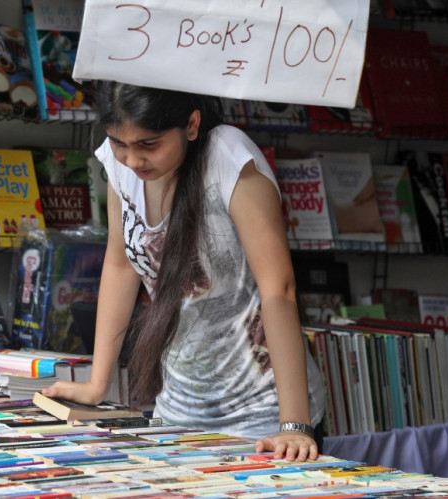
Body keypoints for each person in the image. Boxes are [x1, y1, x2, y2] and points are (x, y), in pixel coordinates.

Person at [42, 81, 326, 462]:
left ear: (191, 125)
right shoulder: (122, 167)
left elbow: (279, 289)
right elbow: (120, 264)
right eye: (119, 143)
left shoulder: (227, 154)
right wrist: (98, 383)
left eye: (149, 144)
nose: (133, 160)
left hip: (264, 414)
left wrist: (294, 426)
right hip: (179, 409)